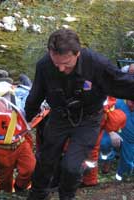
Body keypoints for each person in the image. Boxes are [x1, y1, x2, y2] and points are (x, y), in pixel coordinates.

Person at [25, 28, 134, 200]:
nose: (60, 69)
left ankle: (67, 196)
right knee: (46, 160)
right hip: (60, 116)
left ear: (78, 54)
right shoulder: (44, 65)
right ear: (49, 53)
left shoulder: (97, 65)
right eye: (56, 63)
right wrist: (28, 119)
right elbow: (36, 94)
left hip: (88, 120)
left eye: (66, 64)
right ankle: (37, 195)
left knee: (71, 166)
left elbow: (123, 83)